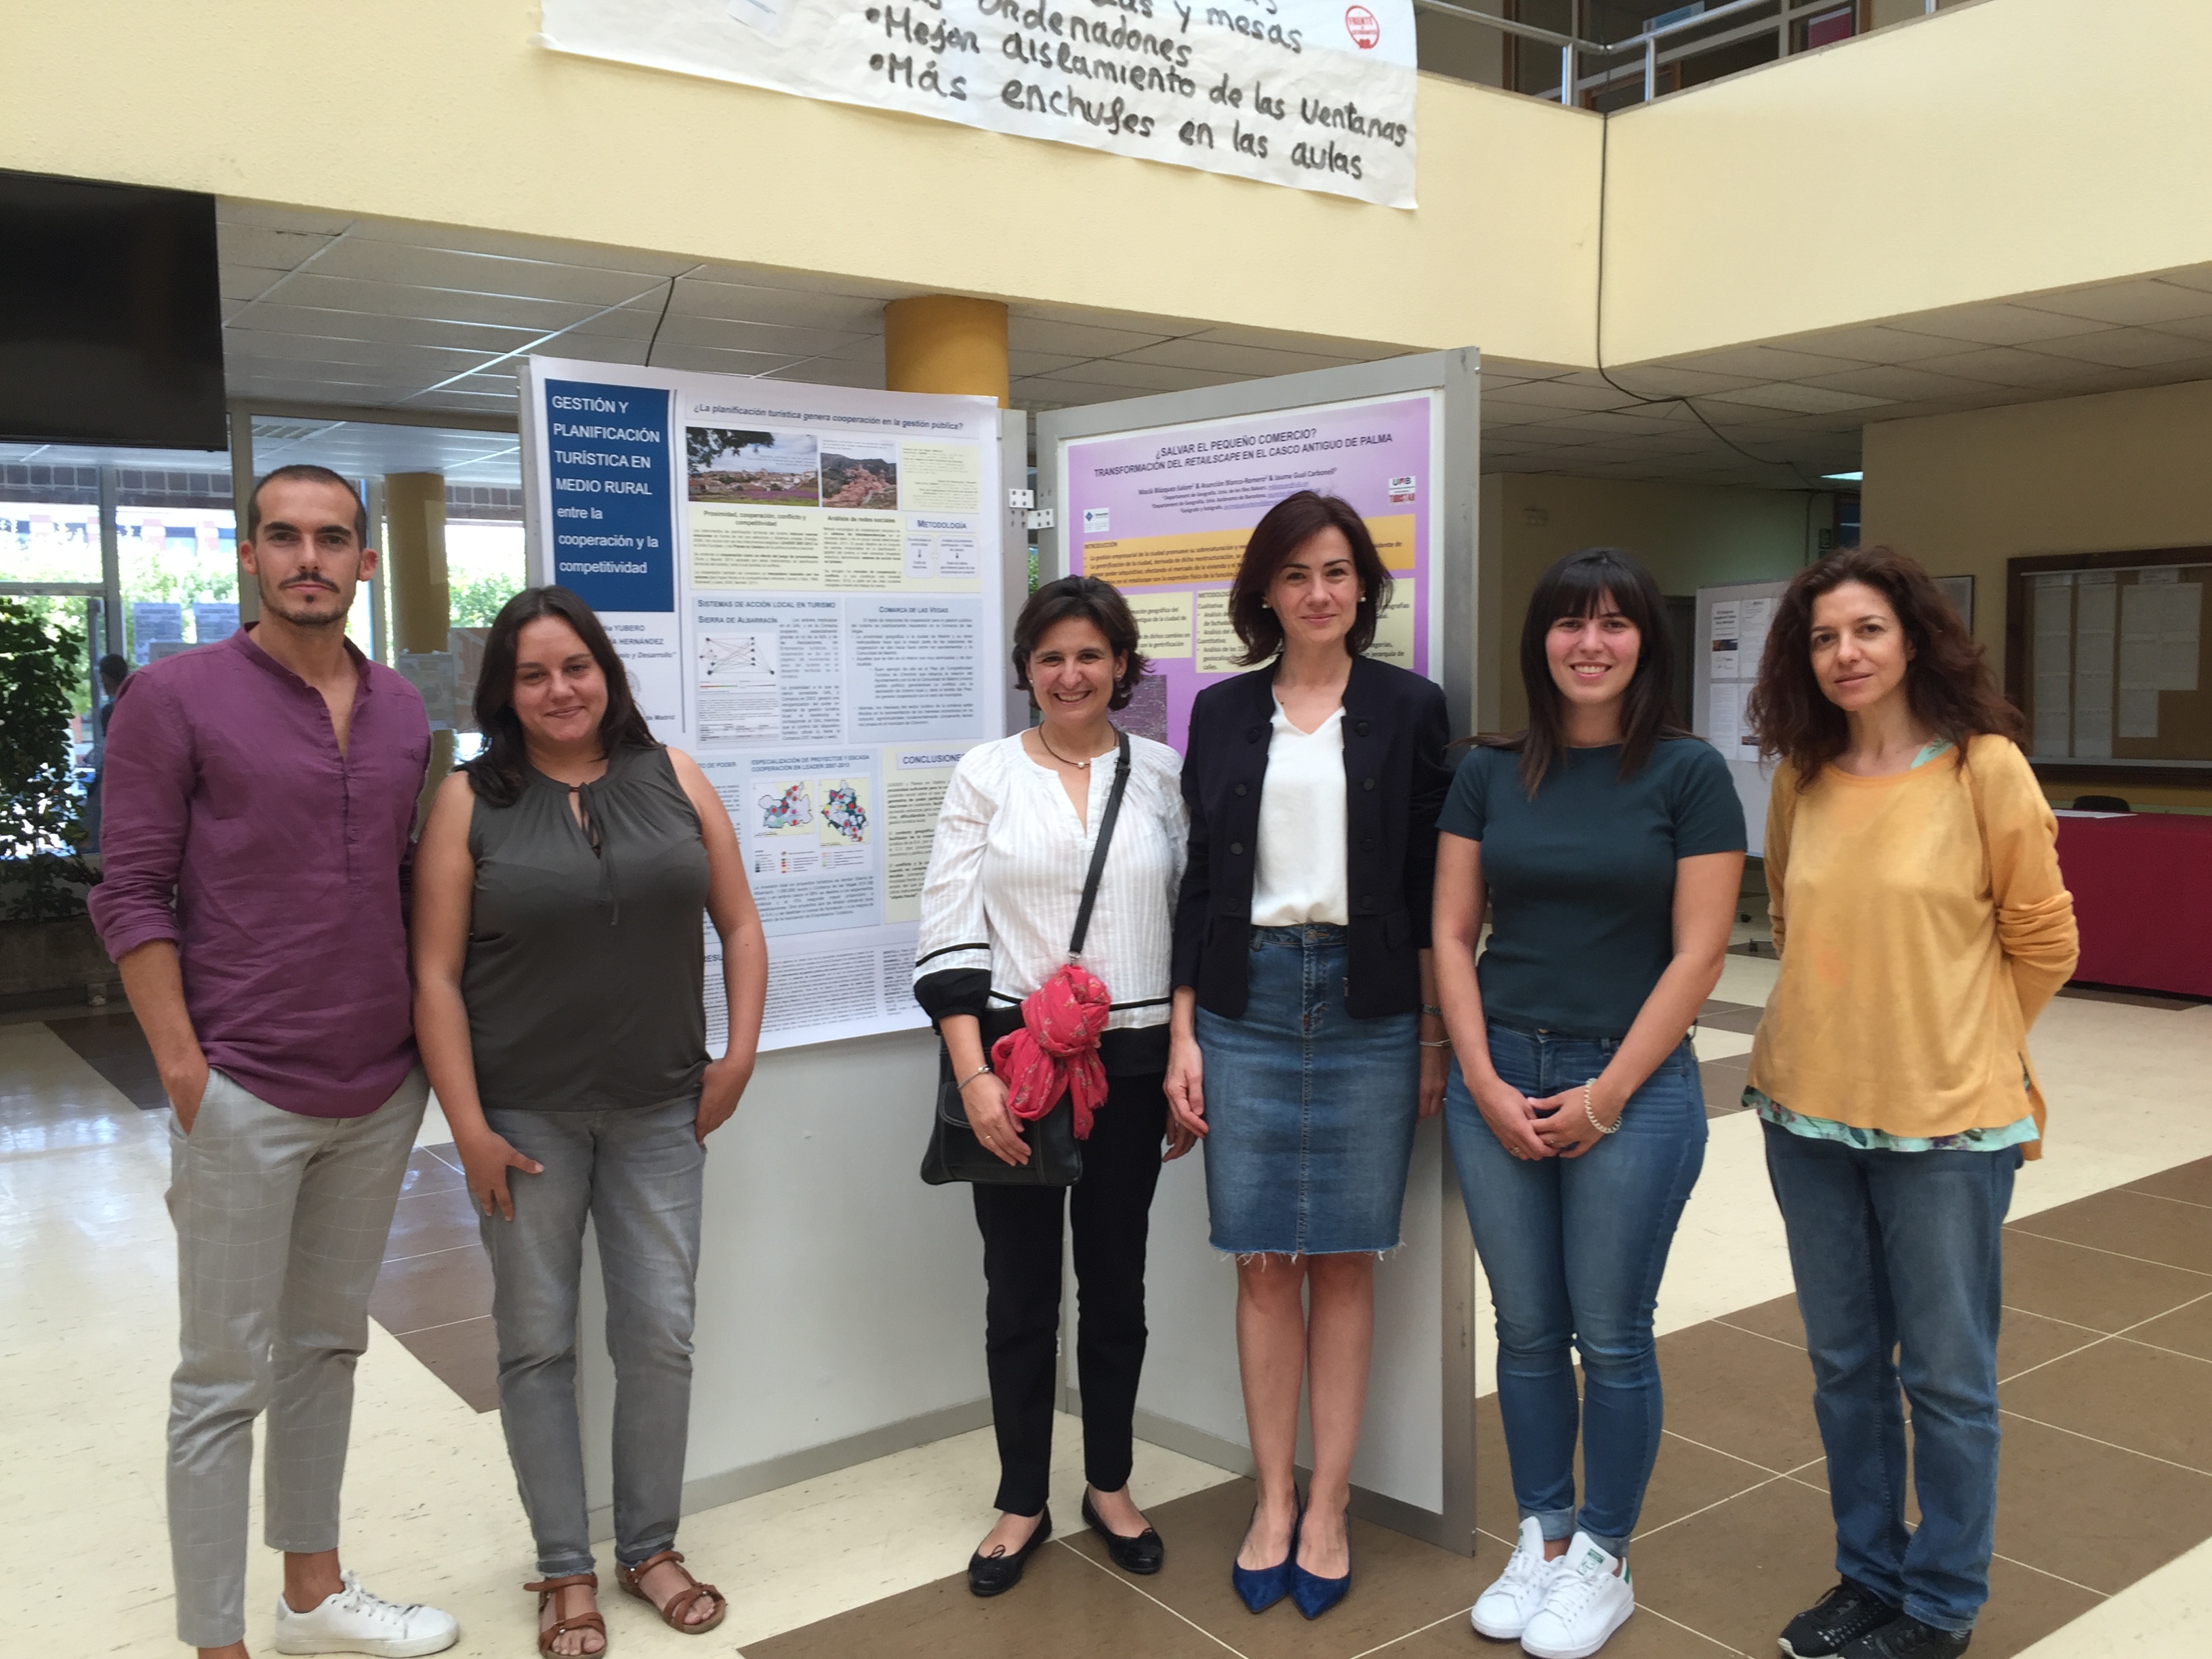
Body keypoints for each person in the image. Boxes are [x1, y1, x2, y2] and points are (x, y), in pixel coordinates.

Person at [89, 464, 459, 1659]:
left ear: (364, 559)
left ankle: (312, 1594)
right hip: (240, 1083)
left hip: (375, 1081)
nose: (311, 556)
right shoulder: (173, 694)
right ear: (248, 555)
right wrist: (186, 1069)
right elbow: (129, 889)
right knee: (218, 1379)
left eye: (334, 538)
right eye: (285, 537)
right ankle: (217, 1643)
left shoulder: (405, 711)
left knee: (326, 1345)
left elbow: (410, 886)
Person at [411, 586, 768, 1656]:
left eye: (576, 667)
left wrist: (738, 1055)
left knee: (659, 1335)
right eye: (533, 674)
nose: (559, 689)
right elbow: (431, 976)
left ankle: (649, 1548)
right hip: (523, 1118)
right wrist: (466, 1126)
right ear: (504, 692)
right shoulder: (470, 799)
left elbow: (741, 926)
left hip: (663, 1108)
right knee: (536, 1345)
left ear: (606, 673)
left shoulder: (675, 778)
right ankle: (563, 1566)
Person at [1744, 548, 2076, 1659]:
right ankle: (1866, 1573)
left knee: (1943, 1375)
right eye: (1822, 636)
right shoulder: (1799, 775)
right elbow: (1789, 922)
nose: (1842, 653)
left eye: (1864, 630)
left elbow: (2042, 939)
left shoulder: (1981, 768)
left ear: (1912, 640)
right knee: (1843, 1367)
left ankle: (1936, 1604)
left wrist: (1955, 1036)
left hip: (1947, 1127)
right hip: (1803, 1114)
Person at [1431, 547, 1744, 1659]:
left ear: (1642, 641)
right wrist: (1476, 1073)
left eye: (1614, 623)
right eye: (1569, 623)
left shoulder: (1687, 772)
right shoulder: (1489, 769)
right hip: (1498, 1070)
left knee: (1609, 1334)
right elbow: (1450, 933)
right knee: (1524, 1330)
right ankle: (1545, 1536)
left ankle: (1603, 1555)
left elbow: (1700, 954)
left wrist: (1606, 1096)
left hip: (1634, 1079)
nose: (1590, 642)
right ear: (1540, 641)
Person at [1166, 491, 1450, 1621]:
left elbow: (1433, 886)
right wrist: (1185, 1026)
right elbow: (1198, 880)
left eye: (1336, 571)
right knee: (1254, 1258)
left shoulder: (1409, 707)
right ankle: (1270, 1498)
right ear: (1263, 593)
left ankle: (1328, 1505)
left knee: (1341, 1255)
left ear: (1363, 588)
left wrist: (1429, 1028)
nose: (1317, 592)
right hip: (1242, 996)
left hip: (1369, 1000)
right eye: (1293, 575)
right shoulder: (1221, 710)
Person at [913, 575, 1193, 1598]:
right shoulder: (985, 774)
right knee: (1021, 1295)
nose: (1070, 674)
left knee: (1117, 1284)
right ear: (1025, 669)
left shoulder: (1162, 775)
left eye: (1090, 654)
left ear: (1122, 664)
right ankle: (1023, 1497)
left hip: (1132, 1061)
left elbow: (1188, 926)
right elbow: (947, 930)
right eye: (1050, 657)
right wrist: (974, 1076)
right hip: (1017, 1064)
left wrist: (1180, 1060)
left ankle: (1109, 1485)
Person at [85, 651, 127, 850]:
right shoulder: (139, 702)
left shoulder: (110, 711)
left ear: (106, 677)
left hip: (115, 778)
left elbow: (111, 748)